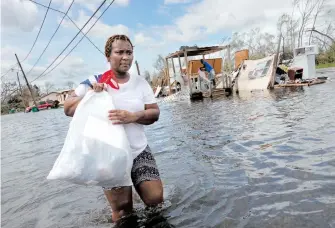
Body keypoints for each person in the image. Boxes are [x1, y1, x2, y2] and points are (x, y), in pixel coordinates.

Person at [63, 34, 163, 223]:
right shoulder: (95, 80)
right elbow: (68, 108)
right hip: (109, 155)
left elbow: (155, 113)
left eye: (129, 52)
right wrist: (91, 94)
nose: (125, 57)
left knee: (155, 200)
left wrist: (134, 116)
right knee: (123, 212)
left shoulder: (140, 83)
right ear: (108, 56)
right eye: (119, 52)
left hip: (139, 150)